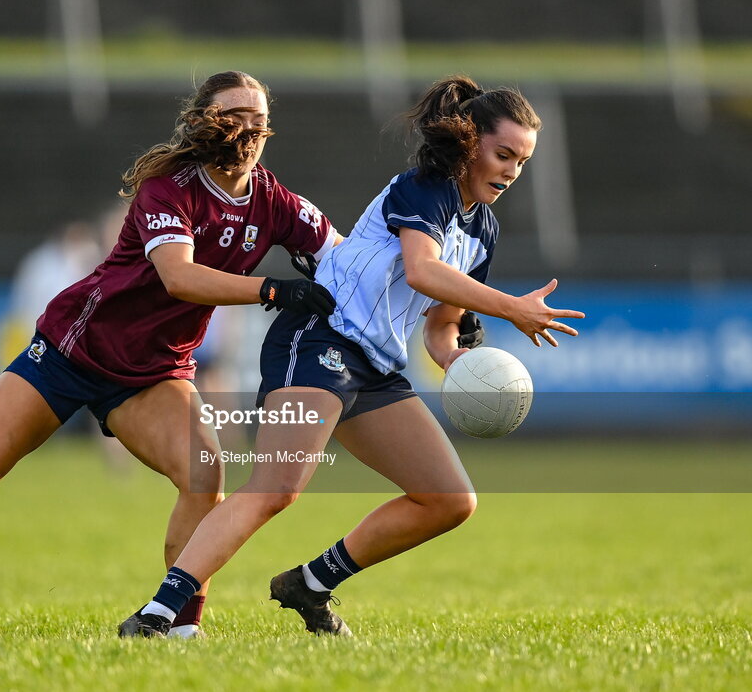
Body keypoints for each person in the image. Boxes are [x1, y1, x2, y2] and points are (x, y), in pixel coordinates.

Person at [0, 71, 342, 639]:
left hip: (152, 373)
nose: (248, 130)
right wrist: (274, 289)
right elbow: (179, 277)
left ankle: (180, 627)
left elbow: (346, 258)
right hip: (72, 352)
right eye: (234, 115)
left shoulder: (278, 203)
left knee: (205, 473)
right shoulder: (169, 187)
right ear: (203, 121)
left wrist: (429, 287)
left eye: (259, 119)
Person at [118, 75, 585, 637]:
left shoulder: (483, 229)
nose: (511, 170)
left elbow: (440, 327)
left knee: (450, 500)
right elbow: (421, 269)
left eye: (522, 161)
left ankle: (310, 584)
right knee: (276, 488)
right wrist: (512, 307)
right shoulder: (427, 186)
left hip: (377, 364)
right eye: (503, 154)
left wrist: (460, 360)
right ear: (469, 143)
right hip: (322, 335)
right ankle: (158, 614)